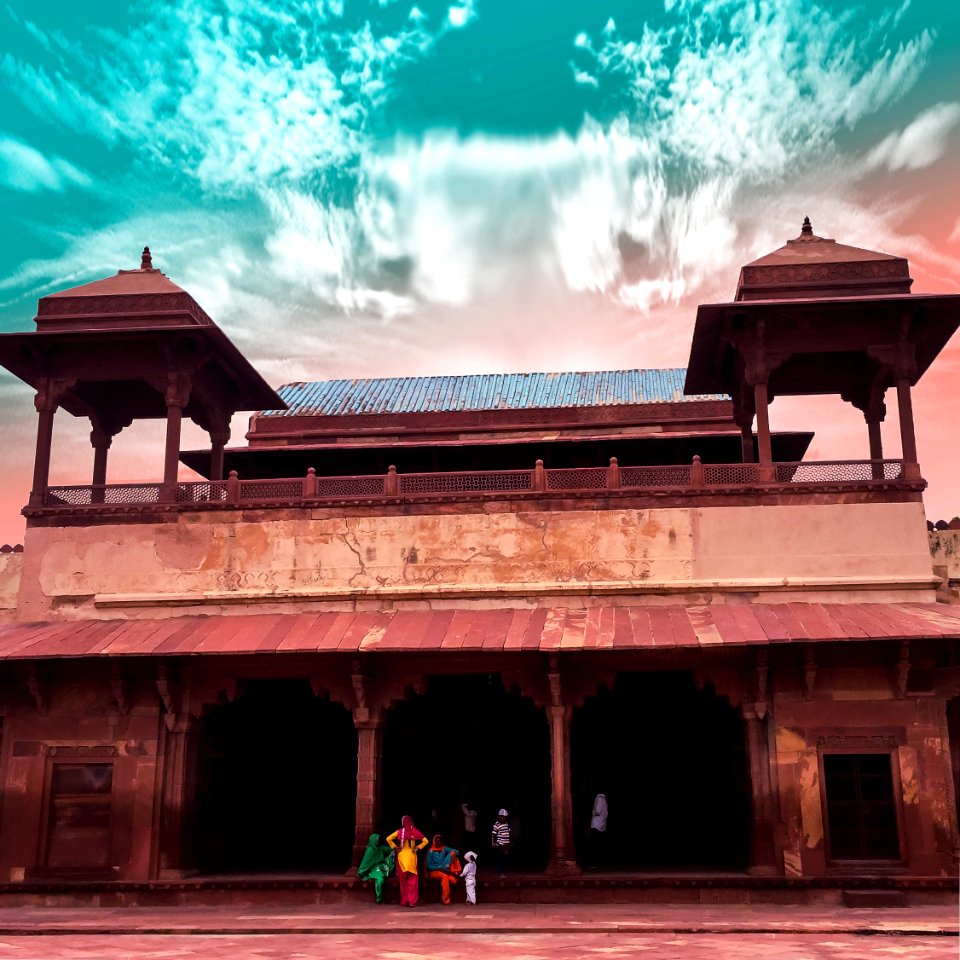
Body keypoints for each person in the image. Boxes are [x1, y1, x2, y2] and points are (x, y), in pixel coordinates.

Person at [386, 815, 428, 908]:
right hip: (412, 856)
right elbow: (426, 841)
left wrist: (395, 847)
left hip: (402, 856)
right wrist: (417, 847)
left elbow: (388, 838)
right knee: (412, 881)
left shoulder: (400, 832)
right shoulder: (414, 831)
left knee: (403, 881)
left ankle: (405, 901)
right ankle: (412, 901)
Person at [356, 833, 394, 904]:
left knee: (390, 868)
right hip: (374, 868)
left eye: (379, 839)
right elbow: (365, 862)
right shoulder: (370, 850)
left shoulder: (381, 848)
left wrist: (394, 851)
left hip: (382, 866)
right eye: (377, 839)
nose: (379, 841)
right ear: (373, 840)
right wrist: (361, 872)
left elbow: (390, 850)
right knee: (380, 879)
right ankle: (379, 899)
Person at [425, 834, 461, 905]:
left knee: (453, 880)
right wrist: (438, 868)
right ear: (434, 841)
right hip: (434, 871)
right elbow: (428, 865)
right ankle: (445, 898)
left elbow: (457, 852)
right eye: (436, 841)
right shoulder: (430, 851)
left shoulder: (444, 848)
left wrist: (445, 863)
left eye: (439, 841)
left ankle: (449, 870)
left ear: (441, 842)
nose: (438, 843)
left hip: (443, 868)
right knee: (445, 876)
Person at [587, 791, 608, 869]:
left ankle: (594, 863)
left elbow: (597, 811)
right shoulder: (604, 798)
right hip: (600, 824)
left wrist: (591, 811)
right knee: (597, 844)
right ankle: (597, 863)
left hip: (596, 825)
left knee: (594, 845)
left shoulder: (599, 797)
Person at [491, 808, 511, 875]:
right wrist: (492, 842)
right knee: (500, 858)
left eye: (504, 817)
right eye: (501, 817)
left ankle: (502, 871)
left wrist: (509, 842)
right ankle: (500, 872)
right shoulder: (497, 824)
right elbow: (493, 834)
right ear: (499, 817)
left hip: (506, 844)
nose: (502, 818)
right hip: (500, 844)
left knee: (505, 859)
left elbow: (508, 833)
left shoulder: (507, 824)